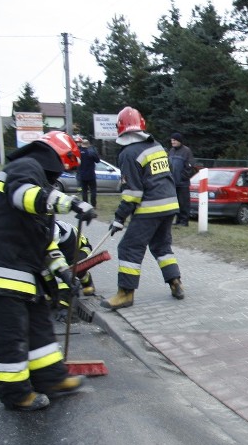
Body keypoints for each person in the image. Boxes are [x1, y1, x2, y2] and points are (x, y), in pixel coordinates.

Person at [0, 131, 97, 411]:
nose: (61, 176)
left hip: (20, 268)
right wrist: (72, 203)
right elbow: (23, 196)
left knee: (40, 322)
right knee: (10, 333)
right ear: (56, 157)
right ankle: (15, 394)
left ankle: (50, 378)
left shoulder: (38, 185)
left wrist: (65, 273)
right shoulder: (26, 167)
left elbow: (46, 244)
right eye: (64, 168)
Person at [101, 106, 184, 310]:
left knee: (129, 247)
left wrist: (119, 218)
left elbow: (133, 193)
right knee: (161, 246)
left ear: (120, 128)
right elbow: (168, 173)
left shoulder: (128, 153)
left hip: (150, 208)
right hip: (170, 204)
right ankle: (175, 282)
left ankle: (125, 294)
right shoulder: (156, 146)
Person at [48, 220, 96, 322]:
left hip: (81, 248)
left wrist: (63, 306)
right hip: (62, 248)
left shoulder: (54, 232)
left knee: (72, 270)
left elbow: (63, 274)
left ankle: (87, 280)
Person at [169, 132, 196, 226]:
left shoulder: (186, 151)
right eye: (172, 140)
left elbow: (190, 166)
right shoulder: (171, 151)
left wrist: (183, 177)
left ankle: (184, 221)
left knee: (183, 202)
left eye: (174, 140)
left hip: (182, 183)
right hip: (173, 182)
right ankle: (177, 220)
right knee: (175, 203)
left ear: (179, 141)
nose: (172, 142)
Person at [76, 135, 101, 207]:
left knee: (84, 191)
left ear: (82, 144)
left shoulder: (78, 152)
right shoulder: (91, 152)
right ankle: (93, 204)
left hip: (82, 175)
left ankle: (85, 205)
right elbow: (97, 161)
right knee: (93, 190)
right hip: (91, 175)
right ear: (88, 145)